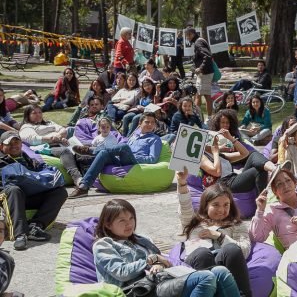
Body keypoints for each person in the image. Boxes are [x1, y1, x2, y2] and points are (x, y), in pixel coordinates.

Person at [92, 198, 240, 296]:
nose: (129, 224)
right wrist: (152, 259)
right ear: (107, 224)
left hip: (162, 280)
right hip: (138, 289)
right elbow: (121, 272)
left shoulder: (142, 240)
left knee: (220, 271)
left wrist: (159, 263)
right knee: (205, 277)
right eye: (122, 220)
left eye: (131, 218)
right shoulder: (104, 244)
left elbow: (164, 261)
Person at [176, 168, 252, 297]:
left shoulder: (237, 225)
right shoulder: (194, 222)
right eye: (215, 205)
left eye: (226, 205)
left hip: (223, 262)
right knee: (202, 253)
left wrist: (220, 236)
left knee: (232, 249)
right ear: (206, 205)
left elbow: (244, 250)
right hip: (199, 263)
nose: (221, 209)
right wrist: (182, 183)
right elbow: (185, 206)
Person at [0, 131, 67, 251]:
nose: (14, 145)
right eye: (10, 143)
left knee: (60, 192)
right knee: (13, 190)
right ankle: (20, 234)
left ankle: (35, 226)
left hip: (28, 195)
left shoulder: (28, 159)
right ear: (1, 146)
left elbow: (43, 171)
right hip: (7, 197)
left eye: (17, 142)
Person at [69, 113, 164, 198]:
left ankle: (91, 150)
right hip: (121, 160)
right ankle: (83, 187)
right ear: (140, 123)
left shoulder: (155, 139)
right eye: (147, 122)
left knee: (124, 146)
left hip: (134, 163)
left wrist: (134, 156)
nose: (150, 125)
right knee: (103, 153)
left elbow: (152, 159)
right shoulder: (134, 137)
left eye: (153, 123)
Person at [18, 104, 84, 185]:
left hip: (60, 143)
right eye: (34, 113)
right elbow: (33, 139)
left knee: (80, 153)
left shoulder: (49, 123)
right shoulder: (26, 127)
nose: (38, 115)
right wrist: (51, 139)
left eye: (39, 112)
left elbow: (63, 130)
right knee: (64, 151)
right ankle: (76, 177)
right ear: (27, 116)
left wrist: (59, 137)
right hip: (46, 148)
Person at [199, 125, 274, 193]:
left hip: (234, 178)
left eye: (216, 141)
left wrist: (230, 138)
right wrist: (215, 152)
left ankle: (274, 169)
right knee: (257, 170)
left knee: (253, 154)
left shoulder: (220, 155)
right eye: (213, 141)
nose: (216, 143)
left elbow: (245, 153)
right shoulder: (203, 156)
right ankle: (263, 199)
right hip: (225, 185)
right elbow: (217, 172)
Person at [186, 26, 215, 121]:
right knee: (200, 95)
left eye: (188, 35)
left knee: (200, 95)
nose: (187, 38)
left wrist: (201, 68)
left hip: (205, 73)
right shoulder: (200, 40)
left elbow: (207, 56)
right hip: (206, 73)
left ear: (192, 34)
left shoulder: (198, 42)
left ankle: (202, 118)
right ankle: (202, 117)